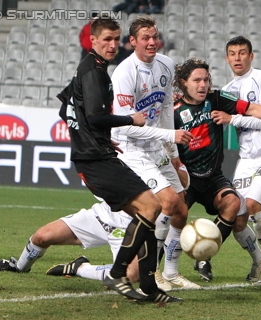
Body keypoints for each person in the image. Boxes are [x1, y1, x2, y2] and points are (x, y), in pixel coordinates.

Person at [56, 17, 177, 303]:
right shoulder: (93, 72)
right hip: (94, 159)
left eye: (115, 39)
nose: (112, 45)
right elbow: (98, 117)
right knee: (151, 206)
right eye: (106, 39)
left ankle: (148, 286)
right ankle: (118, 272)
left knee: (147, 212)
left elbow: (66, 107)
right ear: (93, 41)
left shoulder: (92, 69)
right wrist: (128, 119)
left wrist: (93, 135)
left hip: (97, 151)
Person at [172, 58, 261, 283]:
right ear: (184, 82)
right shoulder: (172, 110)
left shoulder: (217, 98)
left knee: (237, 207)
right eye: (197, 80)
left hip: (213, 177)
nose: (203, 84)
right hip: (187, 178)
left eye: (205, 79)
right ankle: (165, 271)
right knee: (175, 212)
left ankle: (216, 259)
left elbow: (251, 108)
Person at [110, 15, 198, 292]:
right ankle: (153, 271)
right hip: (132, 147)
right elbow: (129, 128)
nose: (152, 42)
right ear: (132, 41)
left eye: (154, 36)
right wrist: (170, 137)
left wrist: (173, 152)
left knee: (181, 211)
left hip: (157, 145)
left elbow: (164, 110)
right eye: (145, 38)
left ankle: (171, 272)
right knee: (167, 203)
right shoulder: (124, 73)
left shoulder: (166, 65)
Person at [218, 35, 261, 286]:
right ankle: (259, 260)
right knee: (238, 218)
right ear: (227, 58)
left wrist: (232, 119)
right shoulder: (226, 91)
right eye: (233, 53)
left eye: (242, 53)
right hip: (246, 159)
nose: (237, 57)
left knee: (254, 205)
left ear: (251, 56)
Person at [0, 202, 139, 282]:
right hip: (101, 216)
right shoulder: (110, 154)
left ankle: (79, 268)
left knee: (128, 275)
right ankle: (19, 267)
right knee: (41, 237)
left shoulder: (156, 163)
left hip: (133, 226)